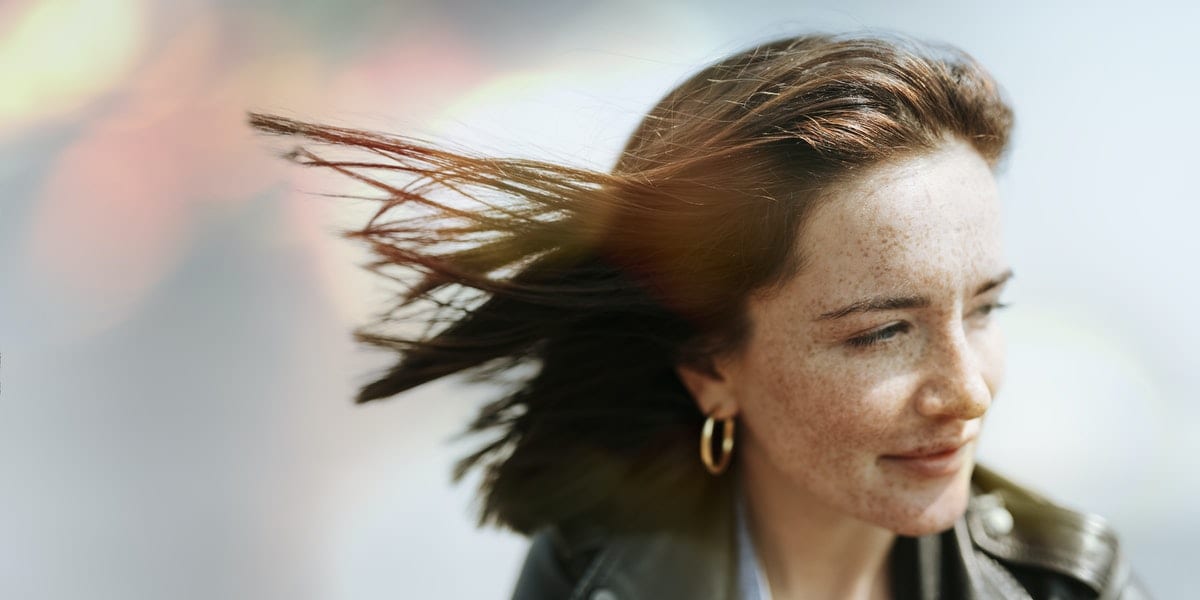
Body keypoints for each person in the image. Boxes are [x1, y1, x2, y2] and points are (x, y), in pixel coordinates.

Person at [250, 33, 1149, 600]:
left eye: (986, 308)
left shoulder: (1067, 582)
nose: (967, 391)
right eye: (883, 331)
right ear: (712, 365)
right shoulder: (592, 583)